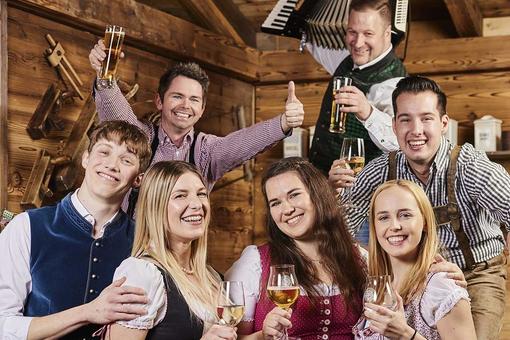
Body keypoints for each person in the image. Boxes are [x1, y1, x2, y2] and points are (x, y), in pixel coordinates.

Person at [330, 76, 510, 339]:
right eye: (405, 119)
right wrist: (332, 192)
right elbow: (340, 228)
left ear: (443, 124)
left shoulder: (470, 167)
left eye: (426, 118)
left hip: (476, 273)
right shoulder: (381, 169)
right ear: (393, 126)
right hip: (410, 277)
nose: (416, 130)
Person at [89, 45, 304, 205]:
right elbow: (115, 113)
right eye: (177, 96)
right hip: (134, 254)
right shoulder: (140, 138)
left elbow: (242, 143)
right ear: (159, 101)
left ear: (202, 109)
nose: (185, 105)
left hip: (183, 258)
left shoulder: (206, 151)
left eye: (194, 100)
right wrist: (104, 75)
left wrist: (283, 122)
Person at [0, 121, 153, 339]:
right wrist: (88, 312)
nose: (112, 165)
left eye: (126, 159)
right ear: (86, 158)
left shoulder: (145, 242)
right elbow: (3, 325)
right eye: (104, 152)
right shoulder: (25, 227)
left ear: (139, 178)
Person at [226, 157, 367, 339]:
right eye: (275, 203)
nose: (287, 209)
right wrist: (263, 335)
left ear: (317, 195)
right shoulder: (255, 262)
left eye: (294, 195)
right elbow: (234, 338)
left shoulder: (358, 258)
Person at [102, 161, 236, 340]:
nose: (196, 204)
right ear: (155, 207)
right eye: (180, 196)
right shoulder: (142, 274)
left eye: (201, 194)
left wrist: (261, 336)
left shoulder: (211, 276)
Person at [352, 180, 476, 339]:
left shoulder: (441, 287)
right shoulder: (374, 283)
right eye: (383, 217)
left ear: (424, 222)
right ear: (374, 226)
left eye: (405, 215)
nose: (394, 226)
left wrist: (406, 335)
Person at [308, 0, 408, 175]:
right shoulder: (346, 60)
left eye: (368, 33)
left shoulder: (395, 83)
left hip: (363, 193)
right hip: (323, 182)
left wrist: (368, 112)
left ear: (387, 34)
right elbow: (311, 42)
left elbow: (401, 142)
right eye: (352, 32)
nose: (358, 42)